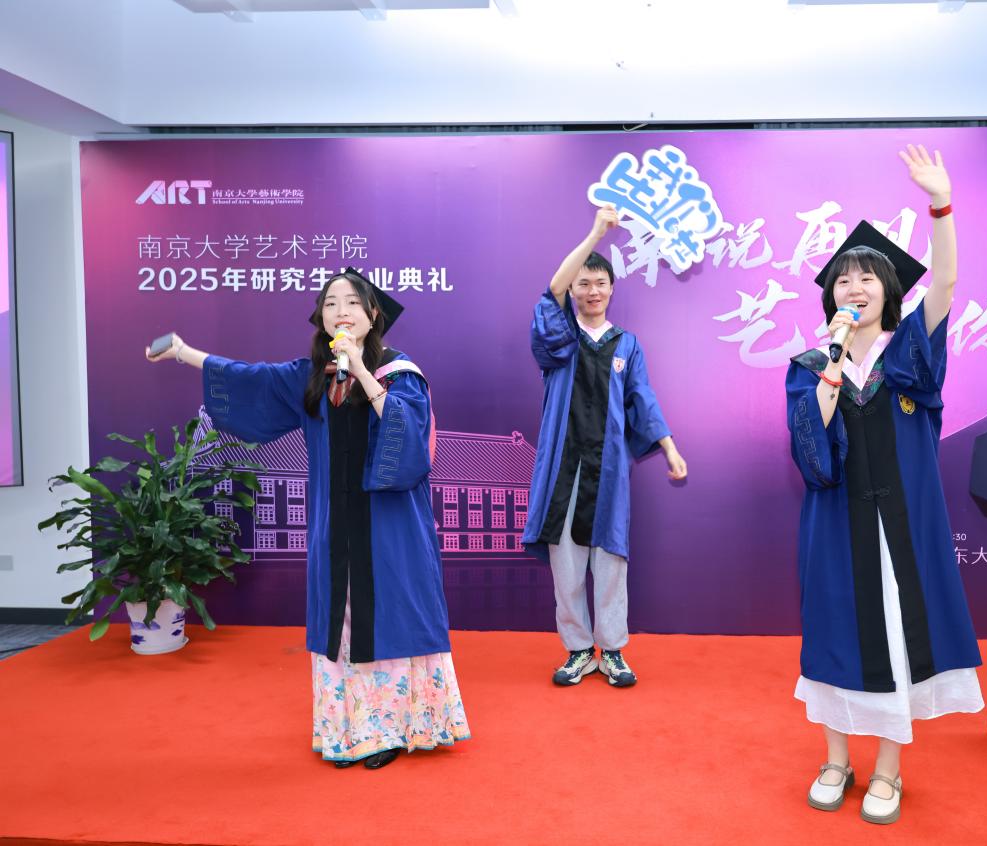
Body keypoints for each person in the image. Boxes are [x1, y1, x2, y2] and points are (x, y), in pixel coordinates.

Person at [146, 268, 469, 769]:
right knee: (342, 620)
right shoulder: (312, 377)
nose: (342, 311)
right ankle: (350, 730)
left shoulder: (401, 372)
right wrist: (185, 353)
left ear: (373, 314)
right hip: (333, 526)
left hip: (390, 528)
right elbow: (252, 378)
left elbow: (408, 438)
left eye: (353, 302)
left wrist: (361, 370)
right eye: (331, 303)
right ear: (321, 317)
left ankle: (392, 729)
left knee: (390, 615)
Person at [786, 145, 983, 824]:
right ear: (831, 297)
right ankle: (835, 760)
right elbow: (810, 448)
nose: (855, 287)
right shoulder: (809, 364)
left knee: (897, 634)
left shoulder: (909, 353)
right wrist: (832, 364)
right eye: (844, 280)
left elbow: (947, 282)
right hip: (836, 529)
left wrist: (941, 204)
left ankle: (889, 770)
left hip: (901, 529)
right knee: (833, 634)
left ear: (888, 290)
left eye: (867, 277)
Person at [521, 205, 688, 688]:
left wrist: (669, 447)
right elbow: (551, 291)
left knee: (611, 561)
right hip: (563, 469)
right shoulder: (559, 339)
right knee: (566, 566)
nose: (592, 291)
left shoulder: (627, 345)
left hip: (609, 469)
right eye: (583, 284)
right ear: (573, 290)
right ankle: (578, 649)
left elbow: (643, 399)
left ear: (612, 289)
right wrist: (595, 233)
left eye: (600, 284)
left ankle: (612, 650)